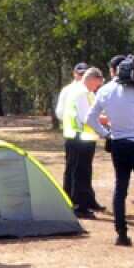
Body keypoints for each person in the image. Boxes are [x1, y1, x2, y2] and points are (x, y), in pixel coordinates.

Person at [88, 55, 134, 248]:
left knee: (120, 188)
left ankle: (121, 234)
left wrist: (106, 134)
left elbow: (89, 118)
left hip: (118, 143)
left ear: (113, 70)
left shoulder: (106, 90)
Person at [62, 67, 105, 217]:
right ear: (92, 79)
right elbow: (86, 117)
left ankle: (75, 202)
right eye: (97, 84)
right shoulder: (82, 93)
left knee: (76, 171)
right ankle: (80, 207)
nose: (97, 87)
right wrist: (105, 128)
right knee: (80, 173)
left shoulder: (83, 91)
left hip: (79, 137)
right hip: (80, 138)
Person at [57, 62, 88, 204]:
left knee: (85, 169)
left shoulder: (89, 89)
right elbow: (59, 112)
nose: (81, 75)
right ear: (74, 74)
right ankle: (68, 198)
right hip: (73, 134)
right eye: (79, 73)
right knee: (72, 168)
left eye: (84, 73)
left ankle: (88, 198)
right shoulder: (68, 90)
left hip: (87, 136)